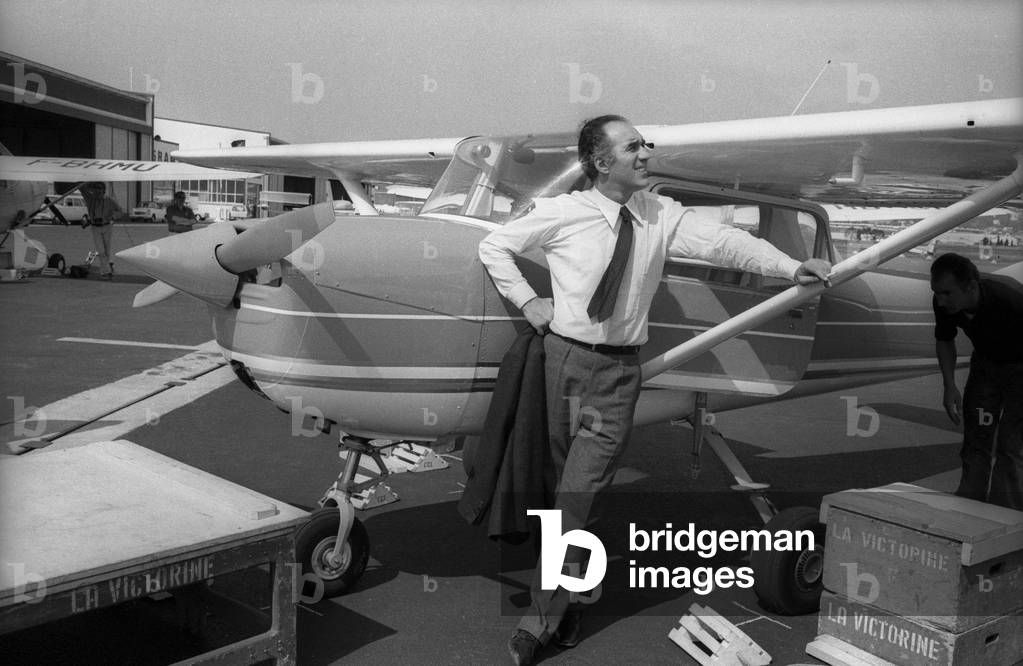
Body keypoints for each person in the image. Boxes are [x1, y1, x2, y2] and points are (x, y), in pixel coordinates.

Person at [478, 115, 832, 666]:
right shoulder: (562, 213)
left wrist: (791, 267)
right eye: (632, 147)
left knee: (579, 495)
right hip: (562, 360)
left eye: (645, 144)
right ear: (601, 162)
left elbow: (725, 244)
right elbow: (495, 247)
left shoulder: (659, 216)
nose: (645, 154)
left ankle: (539, 620)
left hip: (618, 374)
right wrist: (529, 302)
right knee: (559, 491)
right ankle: (571, 593)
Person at [931, 252, 1023, 511]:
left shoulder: (1011, 300)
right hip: (987, 366)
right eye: (936, 292)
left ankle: (1006, 513)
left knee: (1011, 444)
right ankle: (969, 505)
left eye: (947, 293)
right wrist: (949, 386)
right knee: (977, 436)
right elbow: (944, 339)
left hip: (1020, 369)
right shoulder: (943, 303)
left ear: (971, 287)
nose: (940, 300)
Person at [80, 182, 126, 279]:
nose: (97, 193)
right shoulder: (90, 199)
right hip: (95, 227)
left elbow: (121, 211)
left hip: (107, 226)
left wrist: (113, 216)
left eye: (99, 191)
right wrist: (84, 181)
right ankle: (107, 270)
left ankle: (106, 271)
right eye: (95, 191)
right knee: (101, 251)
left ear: (103, 191)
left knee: (106, 250)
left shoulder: (109, 200)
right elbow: (83, 189)